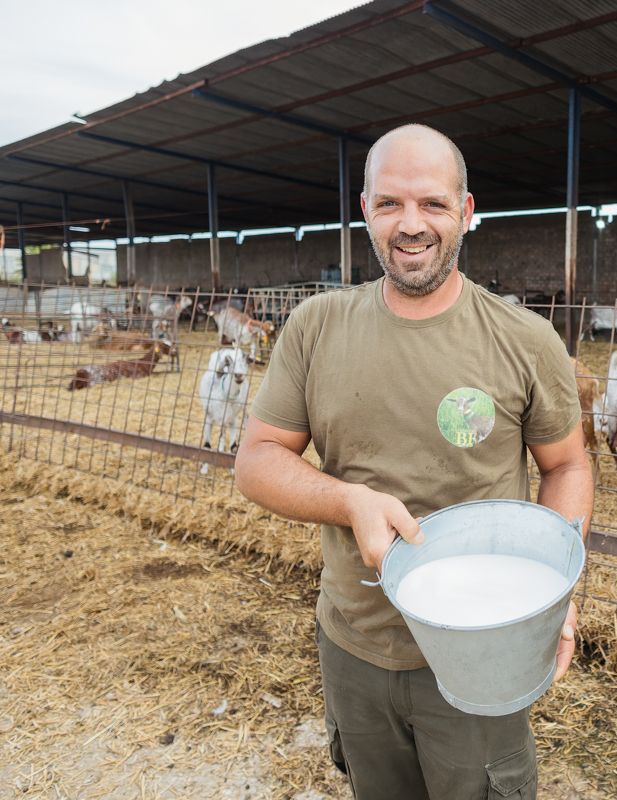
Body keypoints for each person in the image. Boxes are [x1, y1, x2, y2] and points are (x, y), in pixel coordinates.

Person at [234, 123, 594, 800]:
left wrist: (556, 598)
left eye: (432, 203)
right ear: (364, 210)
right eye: (390, 203)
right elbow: (256, 459)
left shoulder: (525, 340)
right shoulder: (316, 328)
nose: (410, 224)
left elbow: (568, 467)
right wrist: (350, 502)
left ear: (467, 211)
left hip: (481, 649)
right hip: (354, 644)